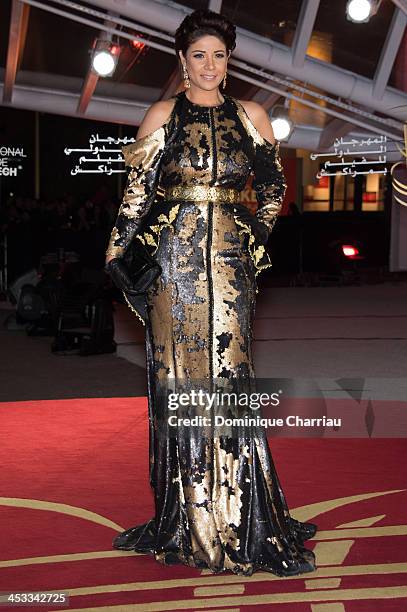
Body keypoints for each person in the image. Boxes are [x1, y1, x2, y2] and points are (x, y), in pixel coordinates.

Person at [105, 9, 317, 577]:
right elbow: (134, 200)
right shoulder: (161, 115)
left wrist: (253, 240)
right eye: (198, 55)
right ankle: (189, 519)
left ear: (230, 62)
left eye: (219, 55)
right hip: (172, 268)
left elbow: (273, 190)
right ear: (182, 61)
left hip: (229, 266)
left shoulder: (251, 116)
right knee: (180, 380)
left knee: (231, 378)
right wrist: (119, 258)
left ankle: (246, 519)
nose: (209, 66)